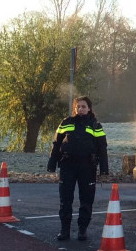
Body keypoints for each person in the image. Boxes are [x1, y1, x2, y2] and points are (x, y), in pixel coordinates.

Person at [47, 96, 109, 241]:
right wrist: (52, 163)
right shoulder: (66, 122)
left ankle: (82, 230)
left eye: (83, 106)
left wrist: (104, 169)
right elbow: (56, 143)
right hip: (67, 165)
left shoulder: (95, 125)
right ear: (75, 108)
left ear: (89, 108)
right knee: (65, 199)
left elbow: (102, 148)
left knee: (86, 200)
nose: (80, 109)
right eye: (78, 107)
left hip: (87, 167)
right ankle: (65, 230)